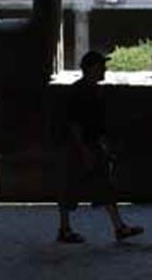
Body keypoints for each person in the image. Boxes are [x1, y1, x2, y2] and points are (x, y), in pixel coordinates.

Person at [54, 50, 144, 244]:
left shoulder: (93, 91)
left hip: (90, 145)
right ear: (92, 68)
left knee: (104, 185)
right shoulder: (79, 92)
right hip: (79, 148)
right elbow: (74, 124)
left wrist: (103, 146)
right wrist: (84, 150)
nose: (105, 69)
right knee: (69, 186)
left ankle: (119, 227)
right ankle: (64, 229)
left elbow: (96, 124)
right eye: (101, 66)